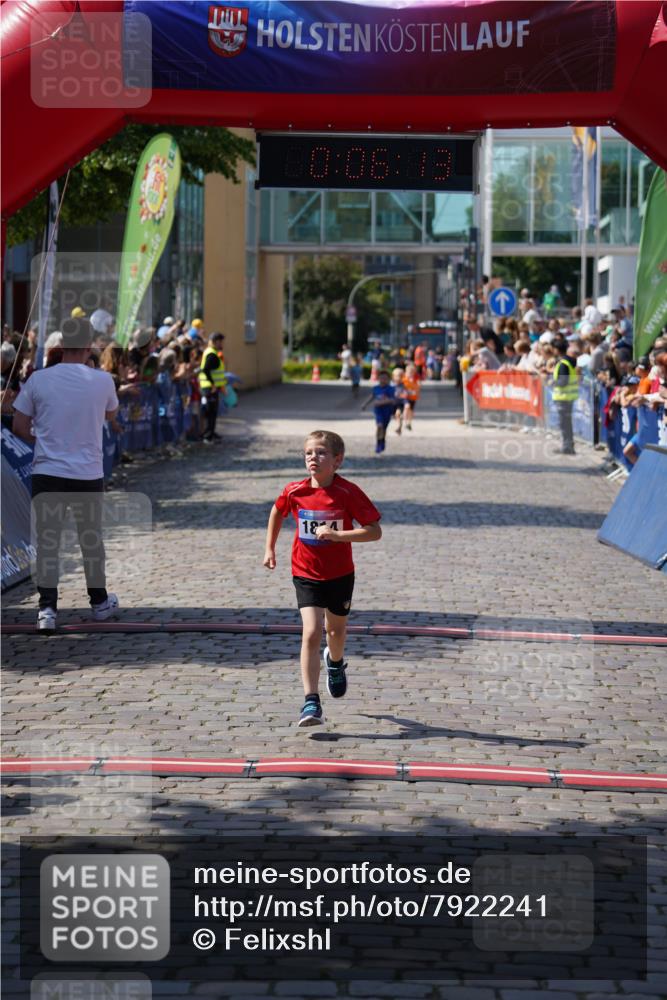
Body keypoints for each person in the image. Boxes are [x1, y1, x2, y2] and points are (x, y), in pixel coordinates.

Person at [263, 429, 382, 727]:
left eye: (320, 453)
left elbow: (374, 530)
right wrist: (269, 548)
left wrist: (338, 535)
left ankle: (336, 662)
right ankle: (310, 702)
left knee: (335, 633)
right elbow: (277, 512)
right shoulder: (295, 490)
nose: (313, 458)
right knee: (312, 631)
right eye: (308, 453)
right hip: (305, 572)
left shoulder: (348, 492)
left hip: (340, 574)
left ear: (337, 461)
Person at [11, 317, 120, 631]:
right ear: (89, 347)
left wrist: (41, 439)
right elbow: (111, 413)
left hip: (48, 472)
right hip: (87, 474)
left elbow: (19, 426)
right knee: (91, 540)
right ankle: (99, 602)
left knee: (48, 542)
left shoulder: (38, 379)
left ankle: (47, 610)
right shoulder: (103, 380)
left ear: (59, 347)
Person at [551, 336, 580, 455]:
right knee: (566, 423)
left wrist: (552, 382)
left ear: (557, 350)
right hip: (568, 398)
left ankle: (567, 447)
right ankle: (568, 446)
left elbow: (563, 382)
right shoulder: (569, 362)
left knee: (564, 424)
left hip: (564, 398)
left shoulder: (563, 364)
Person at [198, 331, 227, 442]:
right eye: (220, 342)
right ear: (214, 342)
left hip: (212, 387)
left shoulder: (213, 353)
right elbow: (205, 370)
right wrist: (213, 384)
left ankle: (211, 432)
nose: (222, 344)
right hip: (209, 388)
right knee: (210, 411)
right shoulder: (211, 354)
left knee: (213, 412)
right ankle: (207, 436)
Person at [361, 369, 396, 454]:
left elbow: (392, 400)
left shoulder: (391, 389)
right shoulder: (376, 388)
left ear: (389, 380)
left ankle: (382, 441)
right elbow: (372, 397)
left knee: (384, 428)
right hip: (378, 411)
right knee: (379, 426)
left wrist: (381, 402)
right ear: (378, 379)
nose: (383, 380)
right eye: (381, 378)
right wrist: (365, 404)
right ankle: (378, 443)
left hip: (387, 411)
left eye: (385, 379)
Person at [402, 362, 421, 430]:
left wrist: (417, 388)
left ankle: (409, 423)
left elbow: (418, 387)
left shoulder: (416, 380)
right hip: (406, 397)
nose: (410, 374)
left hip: (413, 397)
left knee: (411, 411)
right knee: (407, 407)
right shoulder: (404, 379)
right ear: (406, 372)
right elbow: (400, 387)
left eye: (412, 372)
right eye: (409, 372)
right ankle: (405, 422)